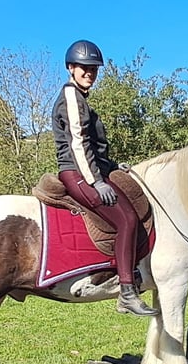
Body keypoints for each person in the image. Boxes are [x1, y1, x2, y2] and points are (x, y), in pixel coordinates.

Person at [52, 40, 159, 317]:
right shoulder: (71, 97)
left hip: (91, 170)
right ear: (70, 68)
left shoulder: (81, 98)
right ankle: (126, 291)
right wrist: (95, 182)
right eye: (84, 68)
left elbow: (93, 147)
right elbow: (78, 144)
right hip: (76, 173)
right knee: (127, 220)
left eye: (93, 69)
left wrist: (112, 167)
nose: (89, 73)